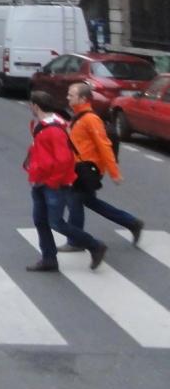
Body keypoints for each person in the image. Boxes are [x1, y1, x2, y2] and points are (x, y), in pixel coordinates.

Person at [24, 90, 107, 272]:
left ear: (36, 106)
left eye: (31, 105)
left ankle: (94, 245)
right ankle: (49, 259)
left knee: (56, 222)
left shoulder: (54, 129)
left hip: (52, 184)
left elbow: (64, 160)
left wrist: (53, 182)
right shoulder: (43, 124)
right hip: (40, 180)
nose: (30, 107)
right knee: (40, 221)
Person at [62, 82, 143, 247]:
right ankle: (132, 222)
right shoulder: (77, 116)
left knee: (75, 200)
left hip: (87, 170)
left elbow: (104, 146)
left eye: (71, 95)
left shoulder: (91, 119)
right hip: (79, 169)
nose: (67, 97)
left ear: (83, 98)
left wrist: (114, 173)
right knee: (89, 201)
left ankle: (76, 241)